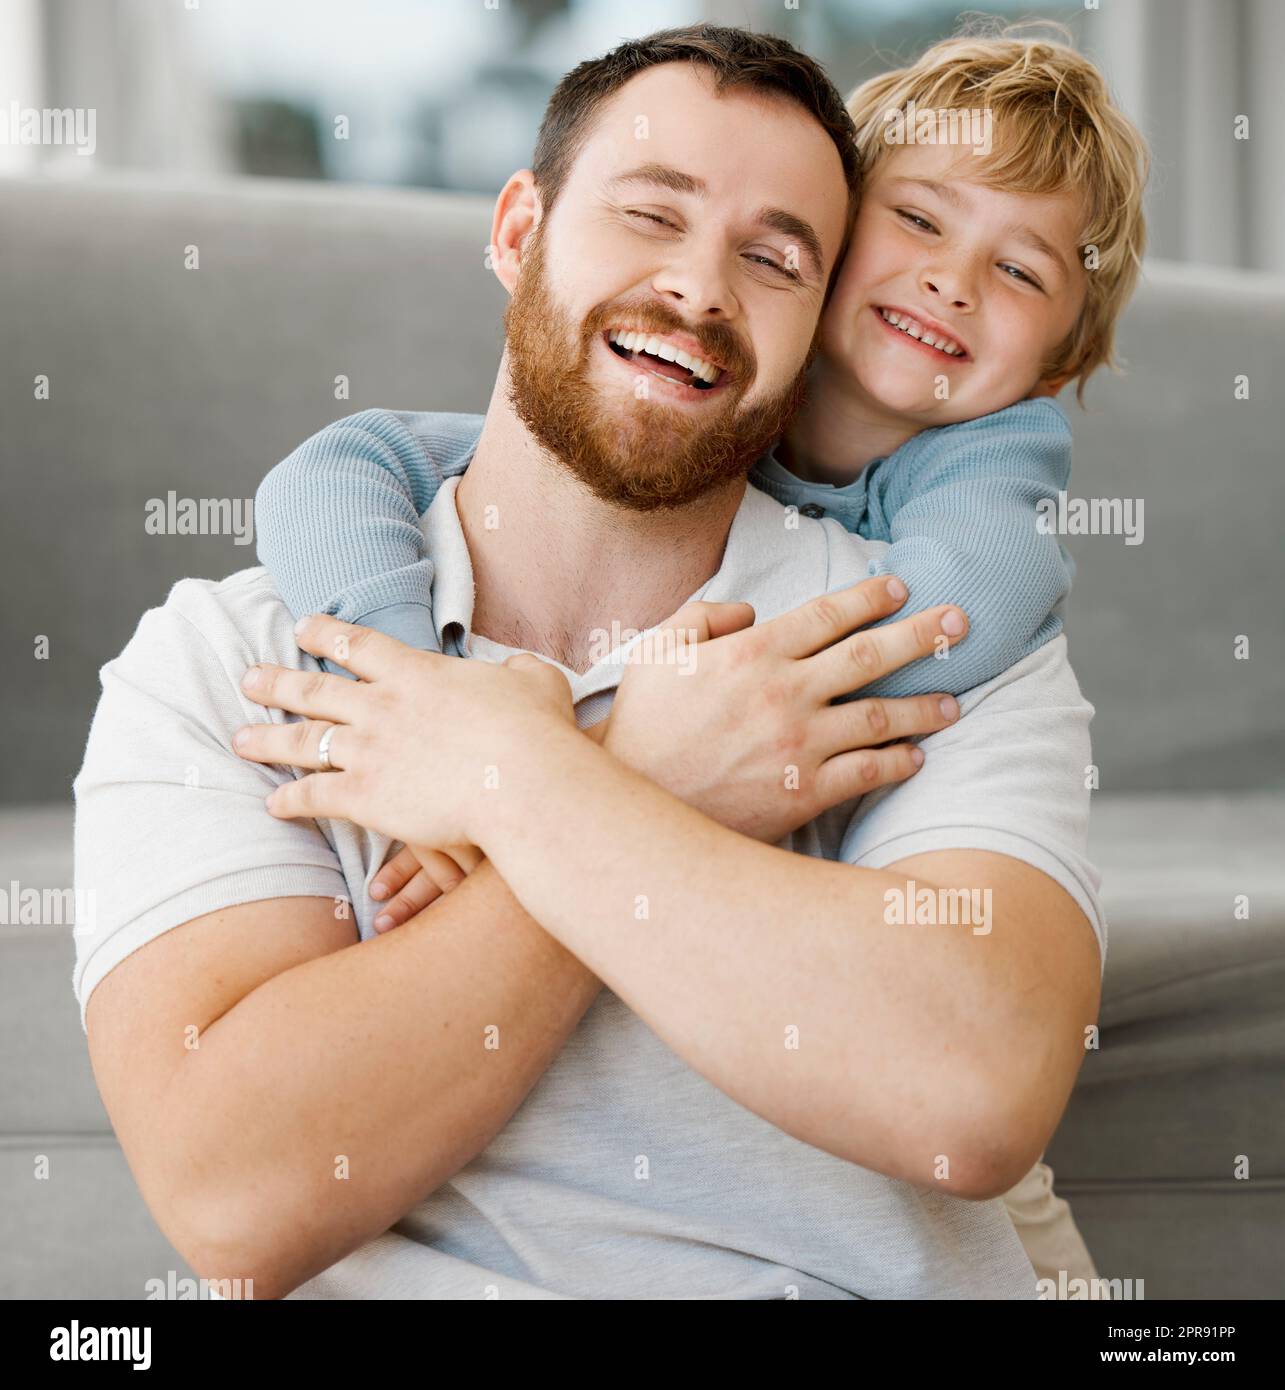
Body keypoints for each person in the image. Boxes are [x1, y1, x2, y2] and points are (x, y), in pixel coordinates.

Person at [73, 24, 1105, 1299]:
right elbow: (236, 1194)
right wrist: (642, 771)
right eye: (648, 214)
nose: (698, 288)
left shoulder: (901, 632)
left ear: (818, 319)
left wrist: (523, 782)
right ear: (517, 232)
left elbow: (972, 1092)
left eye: (774, 258)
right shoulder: (238, 655)